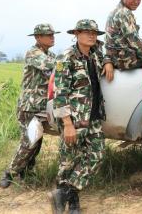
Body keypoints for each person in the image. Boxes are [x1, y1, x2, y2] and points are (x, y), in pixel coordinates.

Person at [48, 19, 106, 214]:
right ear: (76, 34)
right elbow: (60, 93)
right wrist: (67, 124)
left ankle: (64, 193)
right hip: (74, 119)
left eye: (94, 33)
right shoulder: (66, 58)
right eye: (86, 32)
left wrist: (109, 62)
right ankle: (72, 203)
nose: (92, 35)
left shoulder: (95, 55)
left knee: (97, 156)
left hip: (94, 116)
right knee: (69, 161)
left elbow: (105, 54)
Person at [0, 24, 59, 188]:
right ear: (38, 38)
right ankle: (10, 173)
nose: (52, 37)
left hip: (42, 106)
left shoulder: (51, 54)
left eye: (53, 34)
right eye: (48, 35)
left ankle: (26, 173)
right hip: (29, 106)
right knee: (29, 141)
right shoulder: (33, 53)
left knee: (36, 141)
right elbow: (52, 65)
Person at [103, 0, 142, 81]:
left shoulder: (115, 11)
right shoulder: (124, 12)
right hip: (125, 60)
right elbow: (134, 40)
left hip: (116, 58)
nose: (136, 1)